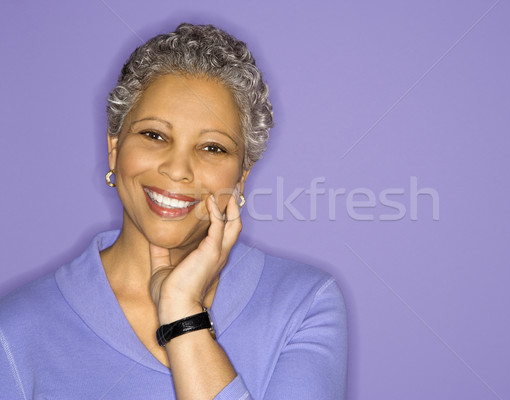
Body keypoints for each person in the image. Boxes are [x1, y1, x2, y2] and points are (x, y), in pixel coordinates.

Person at [0, 23, 347, 399]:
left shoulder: (303, 303)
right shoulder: (16, 332)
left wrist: (183, 313)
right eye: (154, 135)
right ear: (115, 150)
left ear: (242, 176)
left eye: (213, 148)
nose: (178, 170)